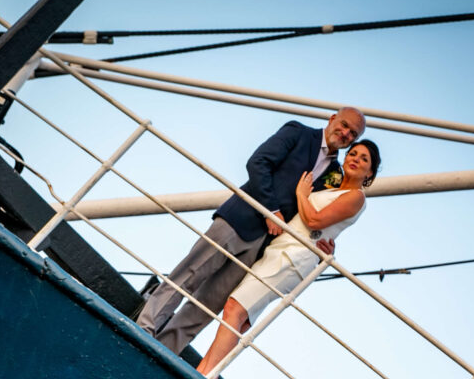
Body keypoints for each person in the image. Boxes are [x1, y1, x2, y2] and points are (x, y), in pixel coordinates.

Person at [136, 108, 366, 355]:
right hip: (238, 220)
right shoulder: (298, 132)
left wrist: (326, 244)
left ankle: (163, 352)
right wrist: (271, 210)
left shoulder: (336, 175)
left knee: (209, 304)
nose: (345, 134)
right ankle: (144, 329)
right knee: (188, 276)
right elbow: (258, 163)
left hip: (262, 246)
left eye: (352, 133)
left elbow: (323, 214)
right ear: (332, 119)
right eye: (343, 125)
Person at [196, 140, 381, 379]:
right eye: (353, 153)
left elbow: (315, 221)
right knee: (241, 315)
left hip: (294, 257)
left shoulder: (356, 197)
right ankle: (206, 373)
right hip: (282, 249)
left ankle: (205, 374)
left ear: (370, 172)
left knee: (236, 308)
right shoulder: (330, 190)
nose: (355, 159)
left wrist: (302, 194)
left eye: (364, 159)